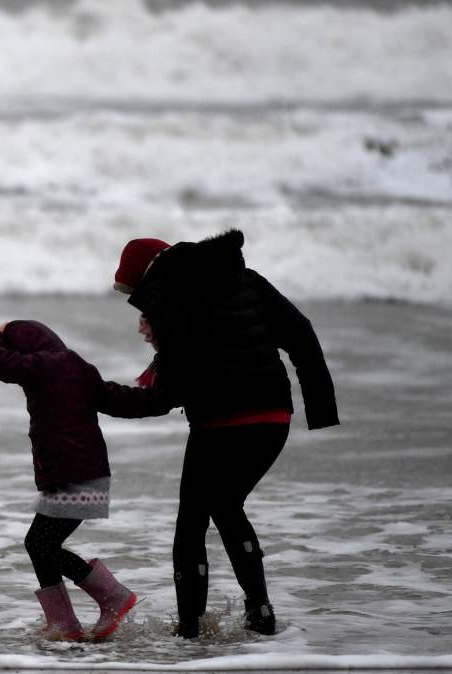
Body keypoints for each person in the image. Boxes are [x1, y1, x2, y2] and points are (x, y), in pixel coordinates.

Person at [112, 230, 339, 639]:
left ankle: (190, 629)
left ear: (146, 276)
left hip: (221, 422)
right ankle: (260, 613)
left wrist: (117, 399)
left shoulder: (168, 292)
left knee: (194, 521)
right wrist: (320, 408)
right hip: (273, 417)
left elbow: (177, 366)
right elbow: (300, 331)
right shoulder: (246, 278)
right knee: (226, 504)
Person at [0, 319, 174, 641]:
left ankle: (111, 596)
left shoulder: (45, 364)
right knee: (42, 544)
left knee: (40, 543)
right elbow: (121, 400)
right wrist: (162, 398)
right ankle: (64, 623)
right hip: (86, 474)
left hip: (72, 475)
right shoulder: (77, 367)